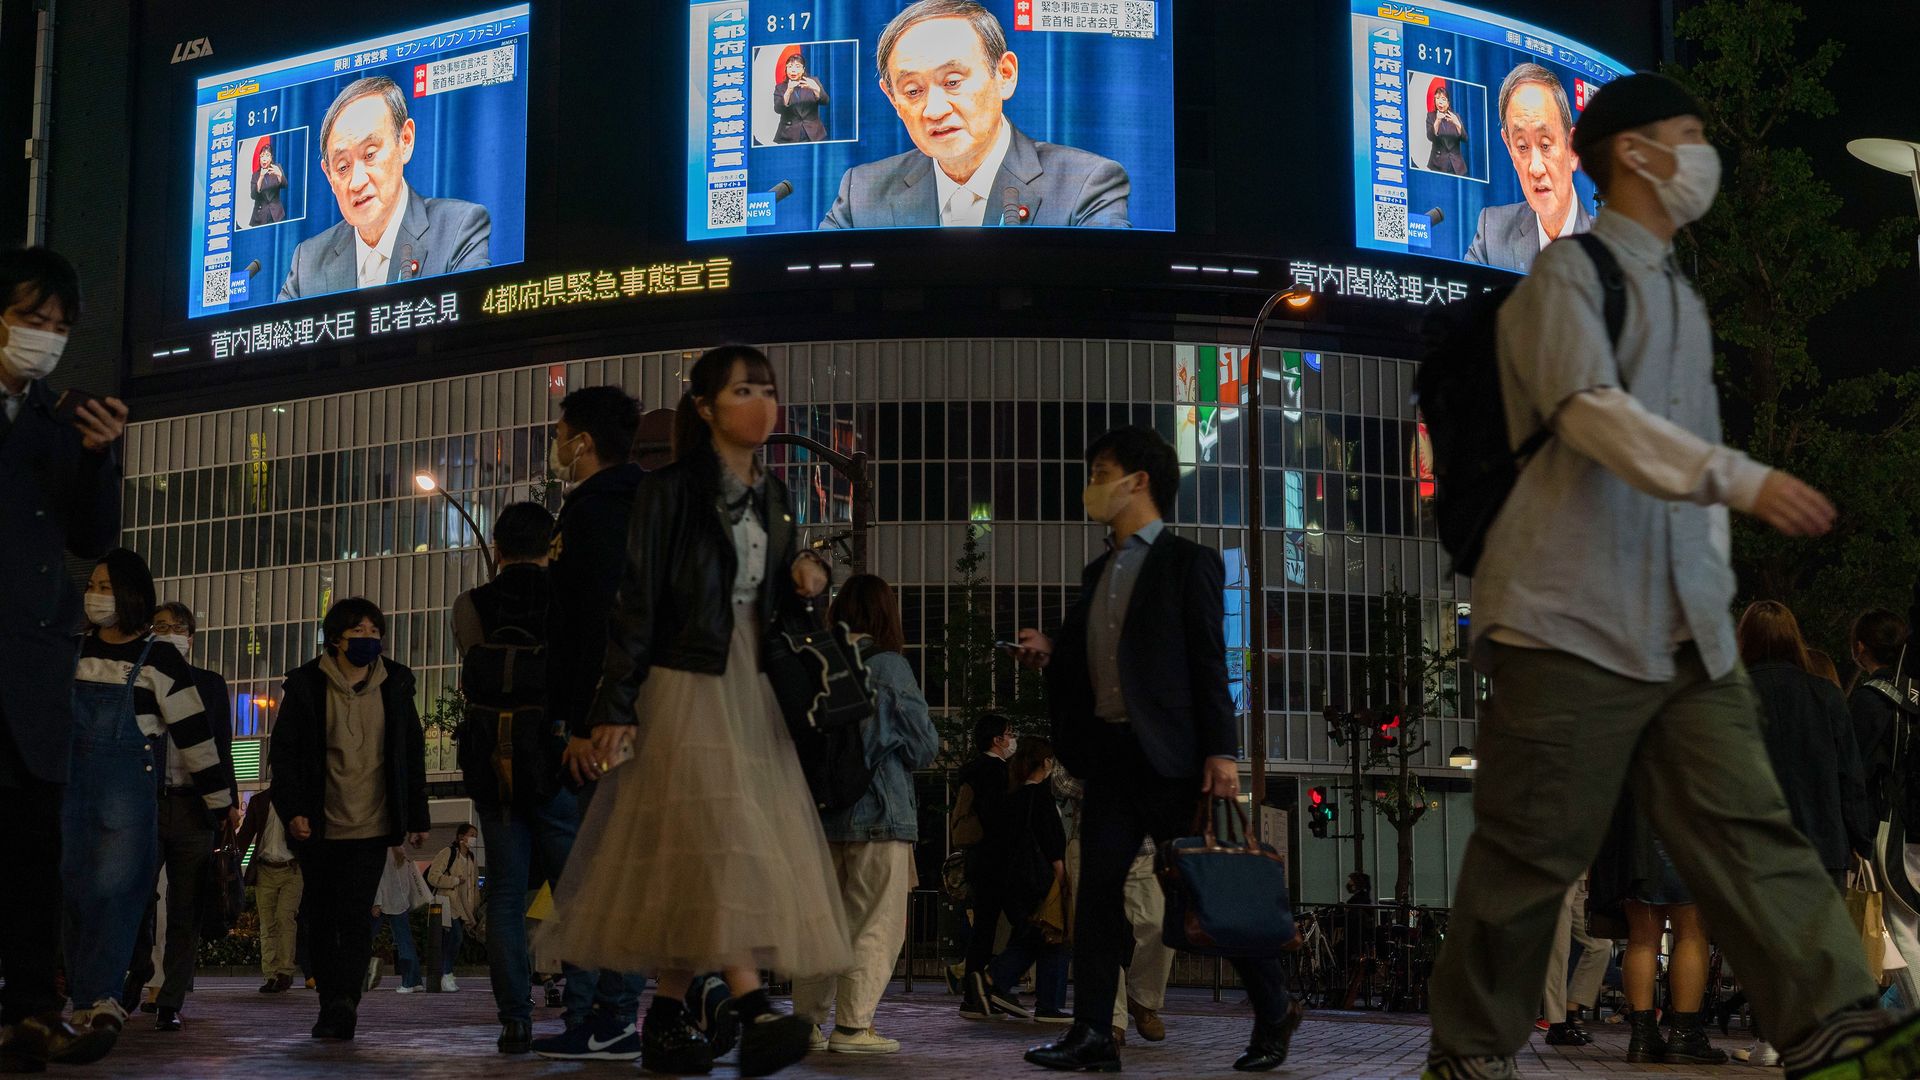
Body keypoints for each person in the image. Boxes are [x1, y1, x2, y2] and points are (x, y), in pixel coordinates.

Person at [1422, 72, 1920, 1080]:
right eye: (1688, 135)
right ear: (1639, 154)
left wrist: (1716, 612)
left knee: (1752, 831)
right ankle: (1469, 1055)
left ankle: (1837, 1029)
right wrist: (1743, 479)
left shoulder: (1680, 297)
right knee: (1529, 856)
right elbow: (1589, 413)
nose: (1703, 155)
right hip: (1565, 624)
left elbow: (1675, 484)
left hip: (1684, 634)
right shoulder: (1567, 280)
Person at [537, 344, 850, 1077]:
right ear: (704, 408)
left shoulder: (774, 497)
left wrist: (807, 572)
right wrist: (612, 705)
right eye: (743, 391)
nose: (762, 405)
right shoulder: (667, 491)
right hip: (684, 683)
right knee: (717, 839)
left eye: (768, 390)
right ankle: (748, 1010)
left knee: (697, 851)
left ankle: (668, 1016)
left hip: (750, 685)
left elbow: (769, 598)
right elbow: (636, 603)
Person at [1014, 426, 1301, 1073]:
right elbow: (1104, 664)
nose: (1092, 485)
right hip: (1111, 758)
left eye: (1100, 470)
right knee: (1096, 894)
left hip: (1173, 759)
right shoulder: (1098, 571)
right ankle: (1092, 1031)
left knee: (1207, 892)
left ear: (1137, 481)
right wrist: (1052, 656)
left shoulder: (1186, 561)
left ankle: (1275, 1007)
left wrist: (1222, 753)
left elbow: (1207, 660)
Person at [0, 246, 127, 1073]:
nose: (43, 339)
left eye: (56, 328)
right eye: (29, 321)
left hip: (31, 663)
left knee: (30, 844)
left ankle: (35, 1013)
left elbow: (90, 540)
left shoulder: (61, 420)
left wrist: (97, 456)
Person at [63, 549, 230, 1061]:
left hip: (128, 794)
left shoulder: (160, 658)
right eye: (92, 584)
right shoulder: (69, 648)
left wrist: (219, 802)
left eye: (106, 586)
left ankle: (104, 999)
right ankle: (83, 996)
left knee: (118, 895)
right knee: (71, 893)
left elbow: (197, 736)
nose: (95, 595)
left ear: (133, 593)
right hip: (68, 790)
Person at [532, 388, 653, 1062]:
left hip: (605, 723)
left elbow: (590, 626)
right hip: (634, 713)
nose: (557, 447)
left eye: (560, 434)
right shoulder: (642, 503)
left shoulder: (598, 512)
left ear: (583, 441)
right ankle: (608, 1016)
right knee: (611, 870)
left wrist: (581, 723)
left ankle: (613, 1016)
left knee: (603, 871)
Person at [268, 597, 430, 1041]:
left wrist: (417, 814)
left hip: (372, 824)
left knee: (357, 917)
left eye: (375, 630)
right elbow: (284, 755)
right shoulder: (305, 685)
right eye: (358, 630)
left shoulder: (396, 683)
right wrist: (294, 809)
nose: (368, 638)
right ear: (335, 638)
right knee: (320, 915)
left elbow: (409, 754)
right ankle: (328, 998)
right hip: (320, 824)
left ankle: (345, 1003)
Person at [819, 0, 1129, 230]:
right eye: (913, 91)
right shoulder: (861, 193)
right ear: (893, 99)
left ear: (1004, 75)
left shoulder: (1085, 183)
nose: (935, 110)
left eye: (952, 82)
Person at [793, 574, 939, 1055]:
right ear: (885, 614)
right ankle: (854, 1028)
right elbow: (924, 747)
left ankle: (805, 1025)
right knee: (875, 921)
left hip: (819, 814)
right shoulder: (889, 666)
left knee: (822, 924)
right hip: (879, 811)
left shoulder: (814, 661)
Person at [1733, 601, 1877, 1064]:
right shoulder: (1826, 695)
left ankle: (1770, 1039)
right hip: (1822, 836)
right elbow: (1848, 774)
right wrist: (1861, 836)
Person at [124, 600, 241, 1032]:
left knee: (186, 907)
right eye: (160, 625)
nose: (168, 631)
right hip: (146, 803)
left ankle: (170, 1000)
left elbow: (222, 745)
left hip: (194, 806)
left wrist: (226, 803)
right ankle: (136, 978)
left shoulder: (209, 685)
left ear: (190, 638)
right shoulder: (139, 678)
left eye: (176, 627)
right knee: (135, 898)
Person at [278, 75, 490, 300]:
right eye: (342, 167)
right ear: (329, 177)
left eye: (370, 154)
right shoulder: (308, 262)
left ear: (405, 141)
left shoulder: (458, 229)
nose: (357, 182)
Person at [1846, 610, 1920, 988]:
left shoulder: (1871, 699)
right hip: (1914, 825)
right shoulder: (1914, 692)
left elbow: (1853, 770)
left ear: (1861, 648)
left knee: (1902, 931)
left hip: (1891, 827)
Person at [1463, 63, 1593, 272]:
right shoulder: (1492, 233)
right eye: (1522, 147)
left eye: (1545, 145)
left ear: (1572, 149)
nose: (1536, 168)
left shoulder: (1612, 250)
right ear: (1510, 149)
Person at [985, 736, 1071, 1024]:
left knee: (1035, 935)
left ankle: (995, 979)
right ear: (1046, 763)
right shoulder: (1042, 796)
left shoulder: (1014, 796)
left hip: (1014, 878)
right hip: (1040, 877)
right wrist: (1062, 876)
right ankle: (1041, 1000)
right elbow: (1052, 839)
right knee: (1052, 935)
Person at [954, 712, 1022, 1019]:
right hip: (999, 861)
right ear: (997, 740)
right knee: (1025, 924)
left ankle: (974, 992)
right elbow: (1001, 821)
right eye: (1009, 733)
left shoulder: (971, 772)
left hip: (978, 861)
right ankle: (992, 984)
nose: (1012, 739)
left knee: (982, 929)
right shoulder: (997, 772)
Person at [234, 777, 304, 994]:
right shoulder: (259, 801)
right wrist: (232, 865)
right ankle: (271, 974)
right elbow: (245, 836)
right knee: (268, 924)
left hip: (293, 869)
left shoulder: (300, 803)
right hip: (265, 869)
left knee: (285, 918)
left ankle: (284, 971)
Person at [1537, 872, 1605, 1047]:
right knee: (1558, 953)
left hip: (1580, 877)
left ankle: (1569, 1012)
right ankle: (1557, 1023)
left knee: (1601, 945)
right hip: (1558, 873)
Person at [426, 824, 480, 992]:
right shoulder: (448, 853)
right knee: (455, 937)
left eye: (475, 835)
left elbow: (473, 888)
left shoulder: (471, 858)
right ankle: (446, 974)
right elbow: (433, 877)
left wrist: (472, 912)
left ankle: (444, 974)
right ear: (461, 836)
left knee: (451, 941)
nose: (474, 838)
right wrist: (454, 880)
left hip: (463, 907)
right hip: (447, 904)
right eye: (471, 834)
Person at [372, 844, 426, 993]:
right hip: (400, 903)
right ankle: (413, 981)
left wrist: (376, 902)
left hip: (383, 901)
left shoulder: (380, 849)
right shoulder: (401, 851)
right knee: (405, 942)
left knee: (363, 939)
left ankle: (354, 978)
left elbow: (377, 878)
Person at [772, 48, 830, 144]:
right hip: (788, 135)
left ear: (803, 69)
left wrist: (815, 88)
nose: (793, 70)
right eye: (790, 67)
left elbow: (826, 101)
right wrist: (789, 91)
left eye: (797, 66)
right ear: (786, 69)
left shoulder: (813, 81)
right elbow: (778, 109)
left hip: (814, 134)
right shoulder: (780, 87)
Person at [1425, 79, 1468, 176]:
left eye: (1443, 99)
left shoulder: (1455, 116)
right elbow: (1430, 137)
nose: (1440, 102)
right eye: (1437, 99)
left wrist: (1457, 123)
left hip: (1456, 165)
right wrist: (1438, 121)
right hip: (1438, 164)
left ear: (1448, 103)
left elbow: (1465, 138)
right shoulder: (1431, 116)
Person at [249, 139, 288, 227]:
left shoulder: (277, 168)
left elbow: (285, 185)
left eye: (267, 156)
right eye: (262, 156)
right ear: (259, 158)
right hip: (260, 216)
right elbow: (253, 195)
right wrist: (261, 177)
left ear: (271, 158)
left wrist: (279, 175)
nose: (264, 159)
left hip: (276, 213)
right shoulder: (256, 175)